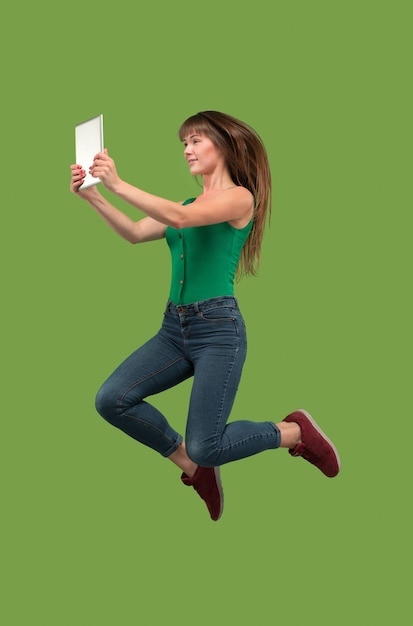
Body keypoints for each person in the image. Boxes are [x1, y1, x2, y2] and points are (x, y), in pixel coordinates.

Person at [70, 110, 340, 521]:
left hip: (218, 331)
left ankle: (294, 432)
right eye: (184, 143)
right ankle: (192, 467)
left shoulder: (239, 198)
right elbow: (135, 233)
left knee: (208, 443)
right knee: (112, 400)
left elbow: (179, 219)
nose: (187, 150)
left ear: (225, 145)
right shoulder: (186, 202)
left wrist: (118, 182)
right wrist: (93, 195)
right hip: (173, 329)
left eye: (196, 140)